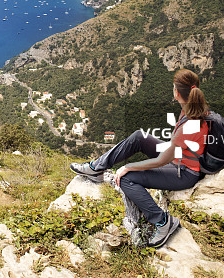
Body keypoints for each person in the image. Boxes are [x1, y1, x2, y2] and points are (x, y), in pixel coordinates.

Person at [69, 69, 210, 248]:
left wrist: (129, 166)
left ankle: (162, 221)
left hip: (184, 171)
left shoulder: (189, 122)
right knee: (138, 137)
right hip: (178, 156)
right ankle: (96, 167)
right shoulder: (191, 108)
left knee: (126, 178)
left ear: (176, 92)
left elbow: (161, 161)